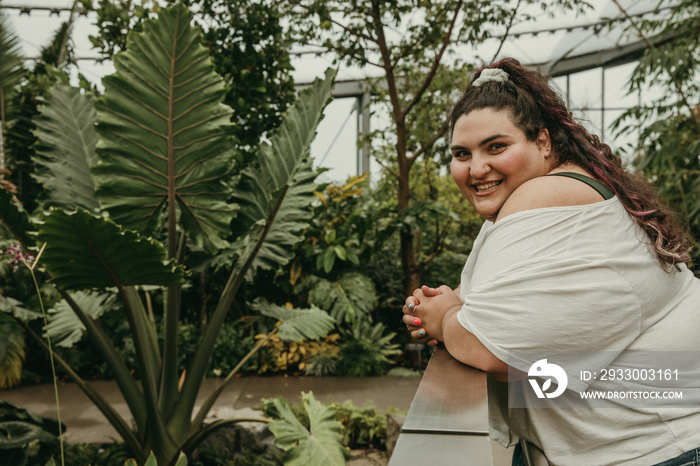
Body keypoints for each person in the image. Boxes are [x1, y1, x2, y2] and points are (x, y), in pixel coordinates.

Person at [401, 57, 700, 465]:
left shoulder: (539, 195)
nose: (476, 168)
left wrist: (448, 316)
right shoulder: (553, 190)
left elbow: (492, 347)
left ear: (543, 142)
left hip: (653, 451)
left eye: (496, 146)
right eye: (461, 153)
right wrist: (447, 311)